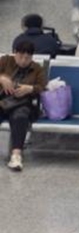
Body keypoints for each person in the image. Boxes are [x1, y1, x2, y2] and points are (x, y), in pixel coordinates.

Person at [0, 39, 46, 171]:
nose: (24, 60)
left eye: (28, 57)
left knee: (20, 116)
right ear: (15, 53)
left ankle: (16, 155)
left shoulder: (37, 68)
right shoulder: (5, 61)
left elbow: (43, 87)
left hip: (23, 103)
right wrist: (2, 78)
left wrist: (30, 89)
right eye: (20, 56)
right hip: (3, 101)